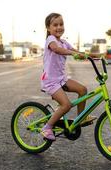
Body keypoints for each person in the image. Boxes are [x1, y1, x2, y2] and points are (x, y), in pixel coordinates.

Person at [41, 13, 98, 141]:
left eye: (61, 24)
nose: (59, 27)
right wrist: (72, 53)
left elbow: (76, 52)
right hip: (51, 82)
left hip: (61, 79)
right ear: (48, 28)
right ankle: (47, 127)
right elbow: (57, 50)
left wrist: (91, 56)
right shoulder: (51, 40)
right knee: (66, 105)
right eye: (55, 25)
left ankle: (80, 118)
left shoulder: (64, 42)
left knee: (82, 90)